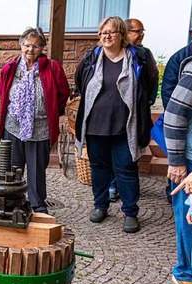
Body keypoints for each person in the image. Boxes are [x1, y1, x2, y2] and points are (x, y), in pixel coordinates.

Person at [74, 16, 154, 233]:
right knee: (99, 169)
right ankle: (100, 206)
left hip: (125, 127)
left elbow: (149, 84)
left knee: (126, 169)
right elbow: (80, 81)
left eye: (111, 32)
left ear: (122, 35)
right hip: (95, 127)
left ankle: (130, 212)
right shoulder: (92, 57)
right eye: (103, 33)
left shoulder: (138, 58)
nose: (106, 37)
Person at [0, 27, 69, 214]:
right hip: (13, 126)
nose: (31, 50)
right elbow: (3, 91)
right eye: (27, 45)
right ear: (21, 45)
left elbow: (63, 93)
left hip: (40, 127)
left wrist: (49, 111)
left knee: (36, 169)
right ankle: (12, 201)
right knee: (13, 167)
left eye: (36, 46)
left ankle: (38, 205)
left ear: (42, 48)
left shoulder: (52, 68)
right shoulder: (10, 68)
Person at [164, 22, 192, 284]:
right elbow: (174, 114)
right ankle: (187, 275)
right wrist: (176, 162)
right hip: (191, 160)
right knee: (190, 220)